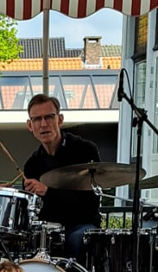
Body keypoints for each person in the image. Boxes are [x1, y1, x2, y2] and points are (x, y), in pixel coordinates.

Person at [22, 94, 101, 259]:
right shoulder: (32, 164)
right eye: (37, 119)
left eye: (49, 117)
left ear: (60, 120)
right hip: (48, 229)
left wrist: (48, 192)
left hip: (80, 224)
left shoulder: (85, 150)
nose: (43, 124)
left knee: (77, 238)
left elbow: (90, 202)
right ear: (30, 126)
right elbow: (31, 209)